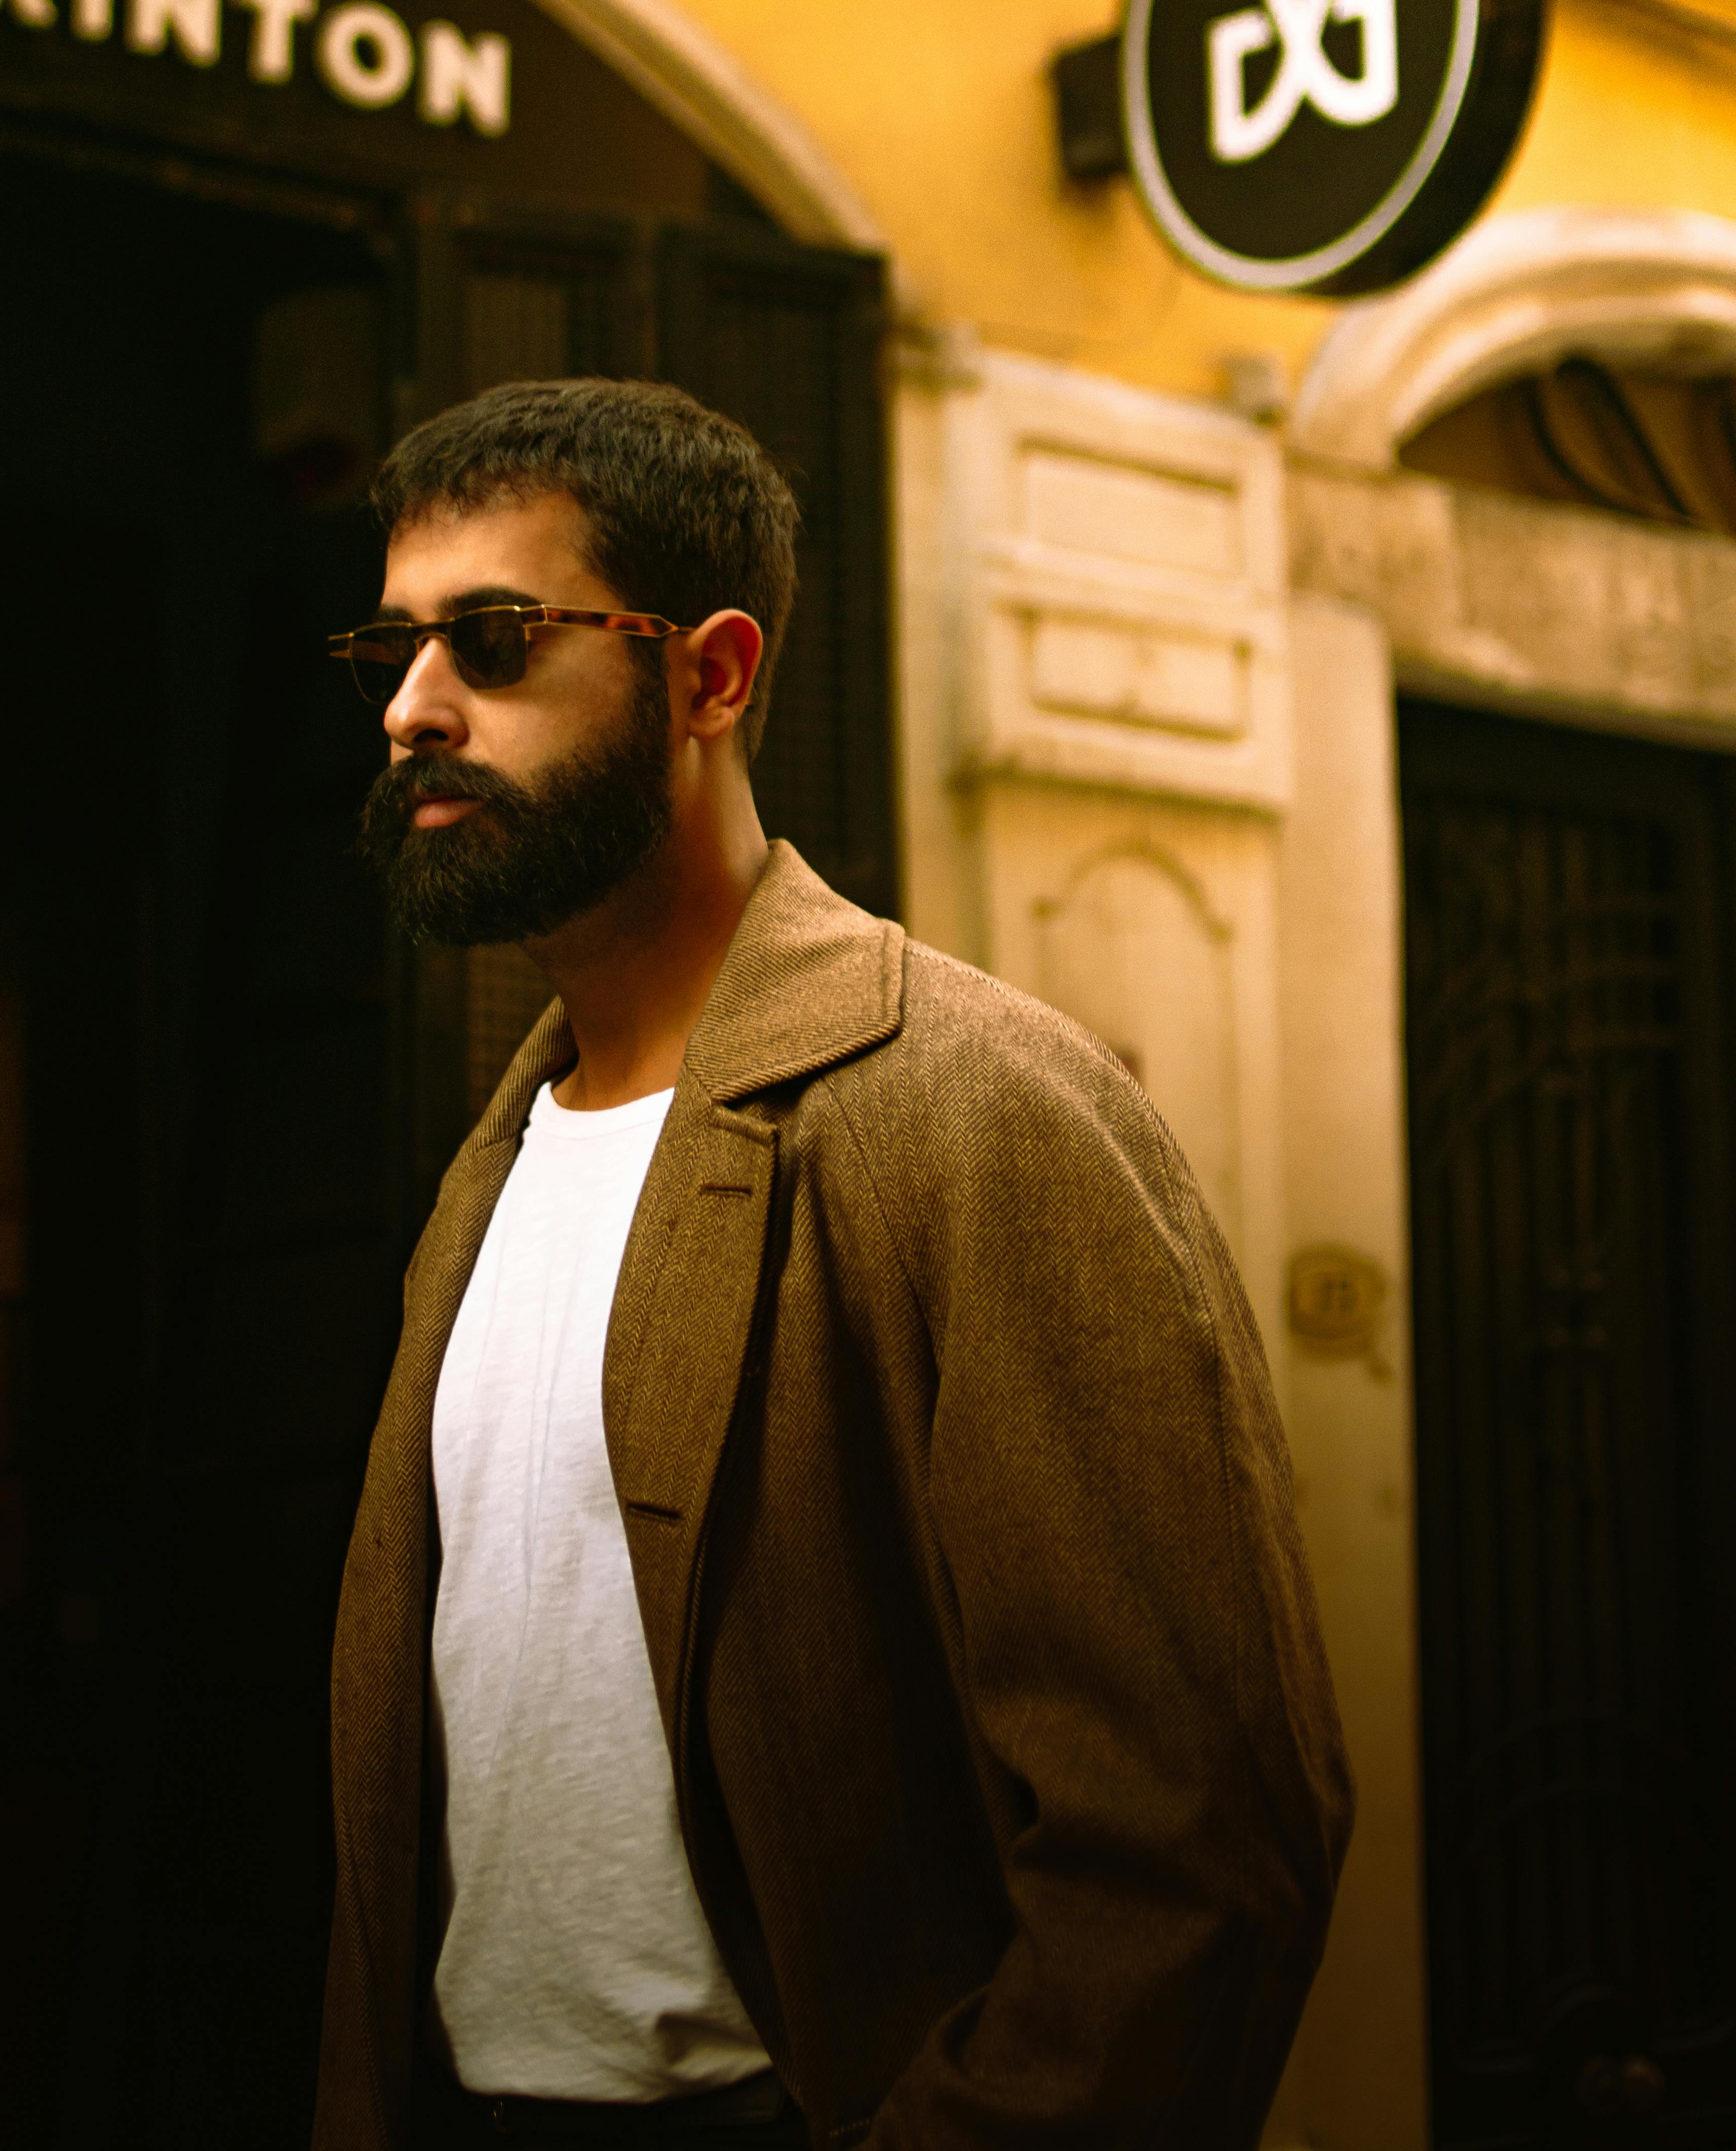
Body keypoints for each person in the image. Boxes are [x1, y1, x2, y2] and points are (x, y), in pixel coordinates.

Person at [314, 378, 1352, 2151]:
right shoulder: (491, 1171)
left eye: (492, 638)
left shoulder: (978, 1109)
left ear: (710, 677)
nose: (417, 707)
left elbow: (1197, 1841)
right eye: (393, 649)